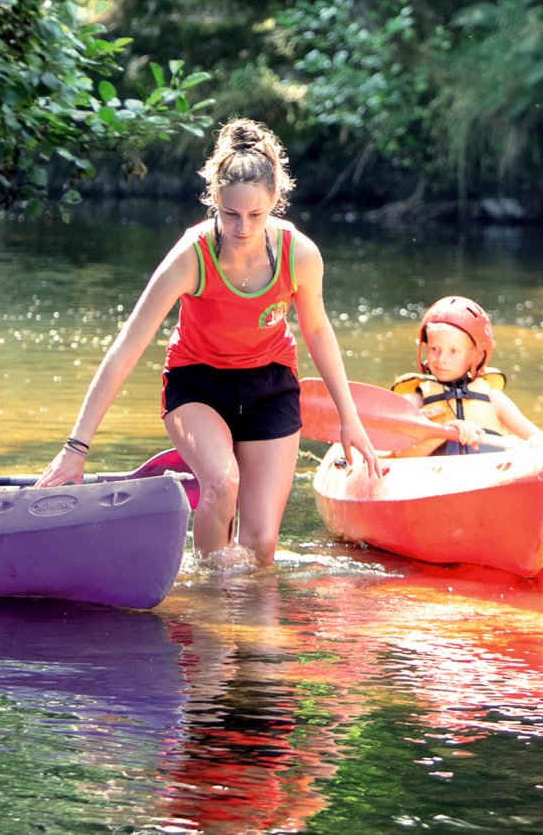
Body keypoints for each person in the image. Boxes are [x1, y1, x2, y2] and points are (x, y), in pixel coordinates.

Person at [35, 118, 380, 568]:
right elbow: (127, 346)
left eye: (255, 215)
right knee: (221, 483)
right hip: (197, 385)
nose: (242, 228)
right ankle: (212, 614)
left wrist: (348, 419)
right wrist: (76, 447)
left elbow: (317, 332)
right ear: (214, 199)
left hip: (269, 386)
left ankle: (245, 617)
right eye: (230, 214)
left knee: (262, 549)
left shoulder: (300, 254)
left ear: (275, 200)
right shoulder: (190, 256)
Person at [389, 295, 543, 458]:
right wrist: (445, 432)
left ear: (475, 355)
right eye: (434, 349)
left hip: (490, 477)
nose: (442, 359)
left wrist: (536, 442)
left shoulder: (494, 399)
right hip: (436, 479)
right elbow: (400, 455)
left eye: (454, 351)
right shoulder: (415, 401)